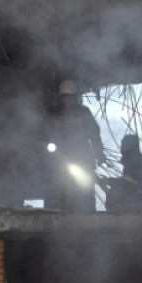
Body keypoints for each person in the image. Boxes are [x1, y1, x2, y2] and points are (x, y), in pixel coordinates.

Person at [47, 80, 105, 212]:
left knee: (86, 188)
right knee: (62, 188)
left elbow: (94, 133)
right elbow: (47, 133)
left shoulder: (83, 112)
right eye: (65, 96)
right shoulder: (55, 114)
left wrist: (99, 153)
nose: (68, 99)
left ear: (75, 97)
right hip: (62, 158)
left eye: (71, 96)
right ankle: (62, 217)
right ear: (61, 97)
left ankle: (89, 217)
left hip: (82, 156)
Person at [104, 134, 142, 212]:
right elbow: (130, 182)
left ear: (128, 145)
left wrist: (109, 181)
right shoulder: (139, 160)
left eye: (123, 144)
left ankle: (117, 214)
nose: (121, 147)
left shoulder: (134, 162)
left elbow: (127, 183)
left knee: (114, 191)